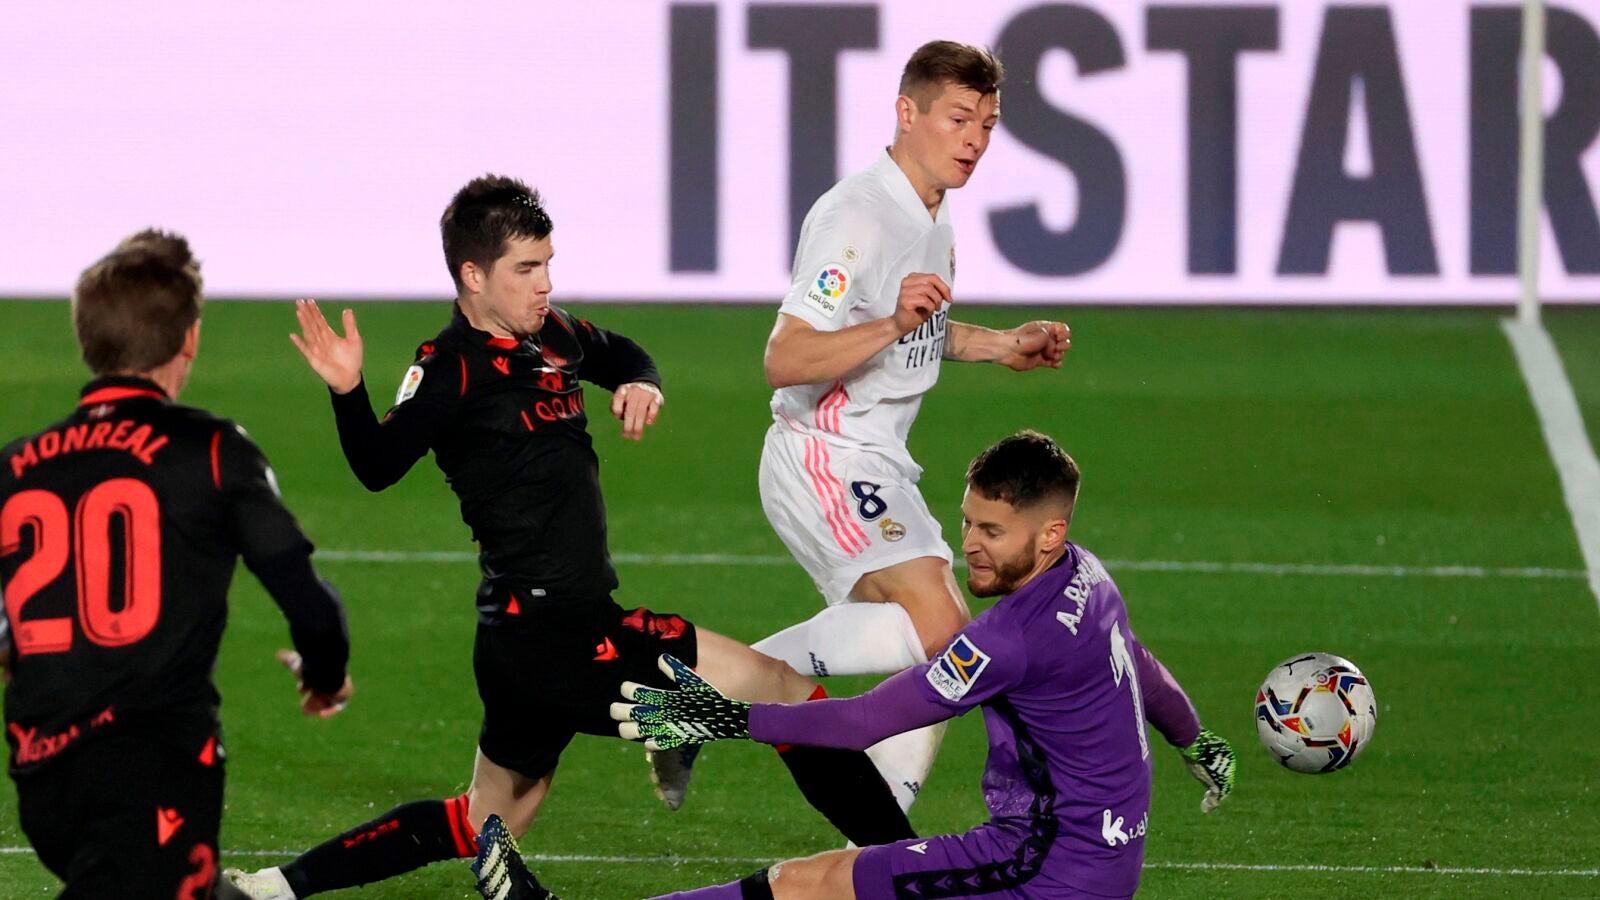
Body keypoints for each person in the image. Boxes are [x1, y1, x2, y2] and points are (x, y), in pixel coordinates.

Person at [228, 176, 915, 900]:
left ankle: (269, 889)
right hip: (559, 638)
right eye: (526, 269)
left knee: (481, 821)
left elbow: (622, 354)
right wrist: (347, 390)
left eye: (548, 264)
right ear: (473, 276)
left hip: (528, 637)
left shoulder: (550, 334)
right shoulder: (448, 368)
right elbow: (376, 465)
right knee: (787, 699)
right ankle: (912, 870)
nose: (545, 284)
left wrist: (643, 383)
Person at [651, 39, 1229, 821]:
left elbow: (916, 330)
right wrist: (894, 321)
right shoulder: (857, 219)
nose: (974, 141)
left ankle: (772, 754)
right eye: (958, 119)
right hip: (824, 454)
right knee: (949, 643)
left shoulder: (931, 209)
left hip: (878, 458)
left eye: (987, 124)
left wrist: (998, 345)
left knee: (943, 651)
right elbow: (785, 358)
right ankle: (742, 724)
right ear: (907, 112)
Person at [620, 431, 1228, 899]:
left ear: (1049, 533)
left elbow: (862, 723)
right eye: (967, 521)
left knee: (802, 885)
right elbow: (1137, 661)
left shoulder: (1006, 641)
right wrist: (1195, 738)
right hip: (1106, 860)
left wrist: (725, 718)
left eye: (992, 531)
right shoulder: (1088, 575)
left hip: (1041, 867)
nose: (970, 545)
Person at [0, 230, 353, 898]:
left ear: (86, 337)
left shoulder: (15, 466)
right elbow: (309, 604)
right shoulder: (213, 452)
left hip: (44, 780)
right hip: (155, 769)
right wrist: (326, 674)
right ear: (189, 338)